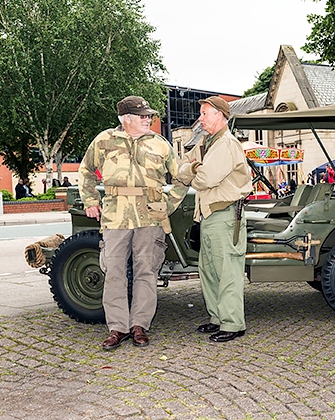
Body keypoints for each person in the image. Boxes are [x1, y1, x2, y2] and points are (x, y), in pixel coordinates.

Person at [77, 95, 189, 351]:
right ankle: (117, 327)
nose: (148, 119)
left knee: (146, 271)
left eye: (149, 115)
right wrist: (91, 200)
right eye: (143, 116)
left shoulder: (160, 144)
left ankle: (140, 325)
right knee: (114, 272)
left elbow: (182, 176)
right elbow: (85, 171)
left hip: (150, 216)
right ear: (126, 119)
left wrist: (168, 205)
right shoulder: (104, 140)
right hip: (115, 215)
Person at [175, 96, 252, 343]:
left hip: (225, 215)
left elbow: (205, 179)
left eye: (205, 113)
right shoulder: (208, 143)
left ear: (219, 115)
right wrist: (193, 168)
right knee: (209, 271)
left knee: (227, 270)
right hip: (210, 215)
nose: (200, 118)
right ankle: (218, 318)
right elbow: (181, 167)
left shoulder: (226, 144)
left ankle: (233, 324)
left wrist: (193, 170)